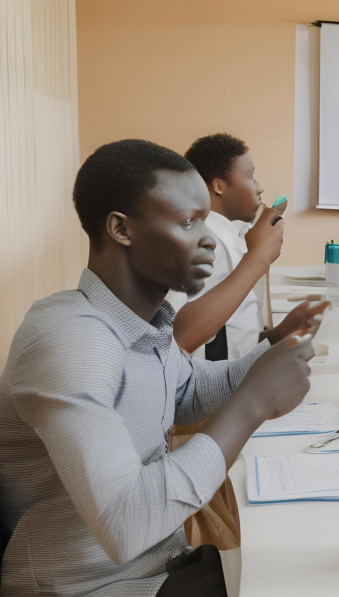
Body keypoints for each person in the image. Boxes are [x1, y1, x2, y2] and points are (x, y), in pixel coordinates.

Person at [0, 139, 319, 595]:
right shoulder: (71, 340)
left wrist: (271, 353)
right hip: (93, 587)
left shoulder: (141, 323)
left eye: (205, 220)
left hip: (159, 568)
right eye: (189, 222)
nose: (208, 238)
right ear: (121, 229)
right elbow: (126, 523)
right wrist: (252, 403)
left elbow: (187, 393)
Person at [169, 133, 327, 361]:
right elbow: (179, 339)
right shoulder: (204, 242)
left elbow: (231, 335)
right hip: (213, 390)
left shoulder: (231, 237)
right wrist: (259, 256)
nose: (260, 188)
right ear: (219, 186)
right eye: (250, 176)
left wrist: (279, 333)